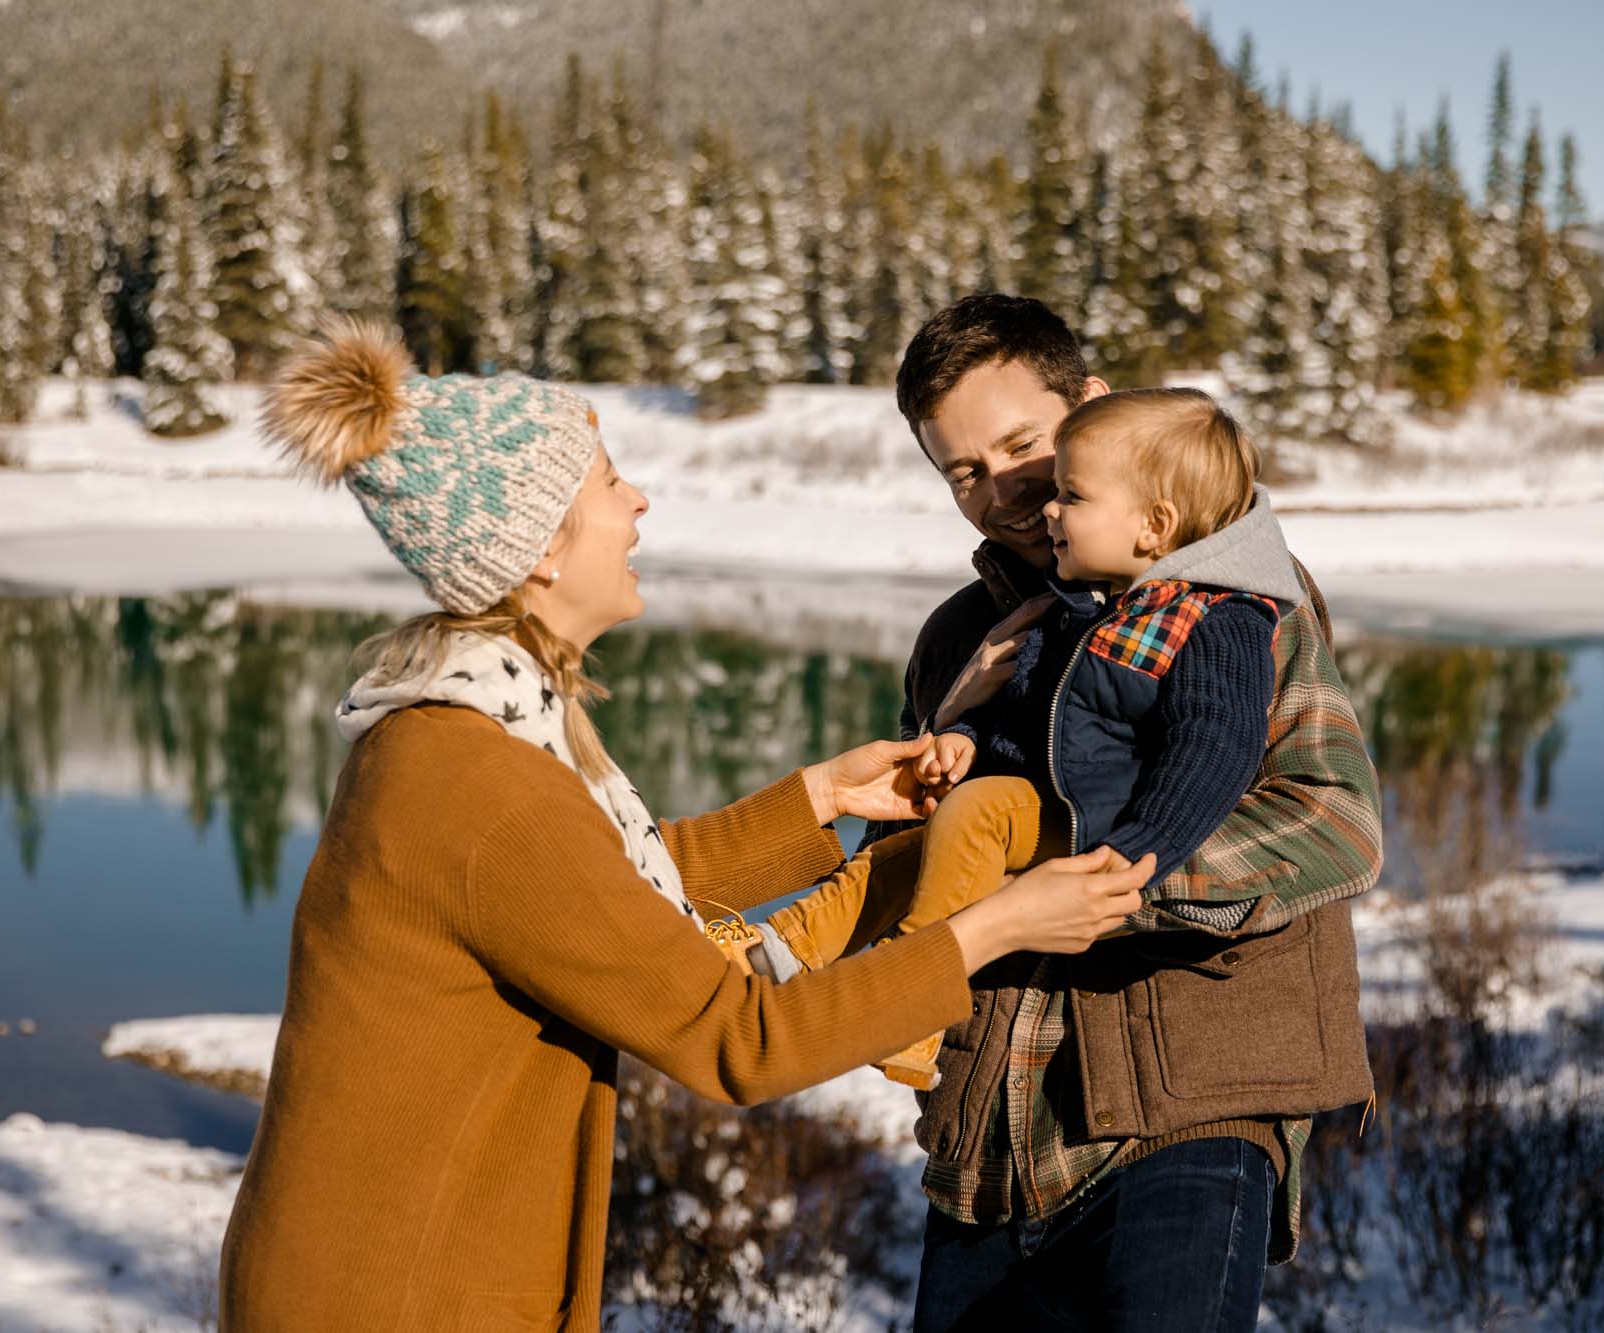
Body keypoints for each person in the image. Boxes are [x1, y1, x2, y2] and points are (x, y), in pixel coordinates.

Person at [216, 320, 1156, 1332]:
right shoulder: (477, 781)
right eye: (608, 485)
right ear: (539, 553)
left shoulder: (458, 736)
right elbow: (737, 1038)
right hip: (399, 1295)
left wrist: (821, 801)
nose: (637, 503)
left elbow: (592, 892)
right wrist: (993, 926)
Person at [781, 294, 1382, 1333]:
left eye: (1021, 444)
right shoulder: (958, 637)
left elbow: (1335, 823)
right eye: (962, 470)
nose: (1004, 487)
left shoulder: (1230, 598)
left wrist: (1105, 881)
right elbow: (910, 870)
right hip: (991, 1138)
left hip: (1184, 1107)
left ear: (1094, 405)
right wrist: (951, 714)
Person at [760, 387, 1304, 1097]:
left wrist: (1136, 854)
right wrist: (960, 734)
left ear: (1154, 526)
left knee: (975, 815)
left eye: (1070, 494)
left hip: (1102, 830)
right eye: (965, 471)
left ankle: (908, 1000)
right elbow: (1032, 715)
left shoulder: (1218, 620)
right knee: (906, 850)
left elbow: (1214, 752)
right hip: (1054, 806)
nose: (1047, 505)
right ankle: (785, 945)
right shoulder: (1078, 607)